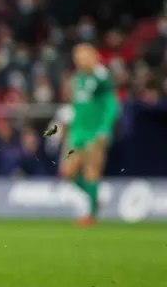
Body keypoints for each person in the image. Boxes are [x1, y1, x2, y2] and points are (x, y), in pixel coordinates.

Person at [60, 43, 119, 226]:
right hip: (77, 131)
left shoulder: (101, 77)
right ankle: (93, 197)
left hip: (94, 132)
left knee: (91, 171)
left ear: (93, 56)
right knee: (67, 171)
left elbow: (111, 104)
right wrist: (67, 125)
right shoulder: (77, 77)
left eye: (82, 55)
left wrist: (105, 128)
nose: (78, 59)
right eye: (76, 56)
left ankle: (91, 215)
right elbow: (75, 105)